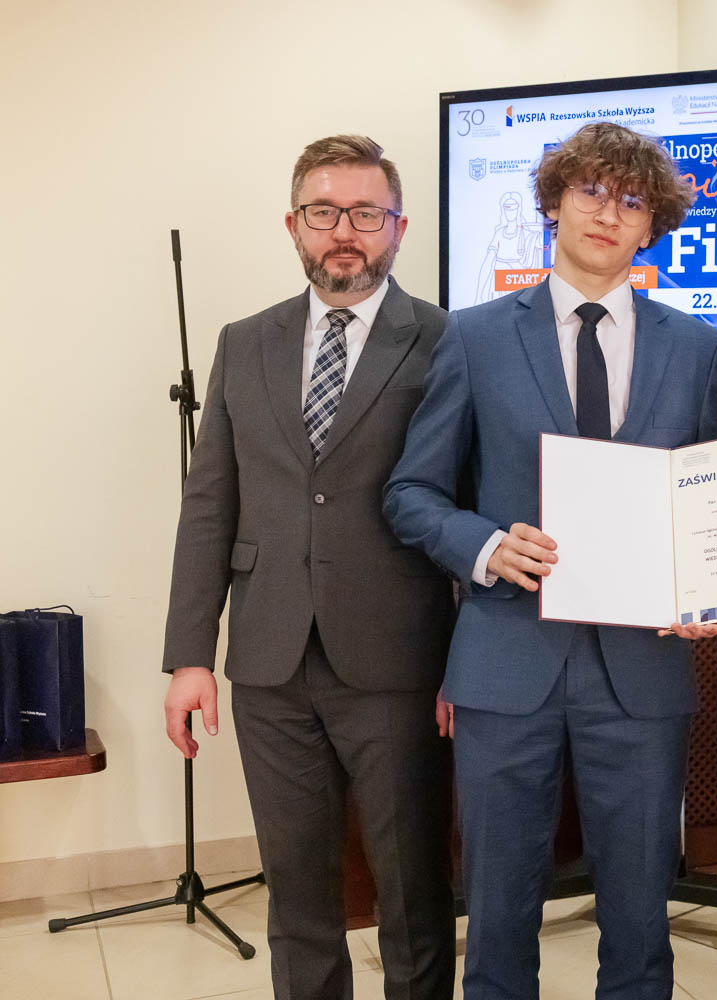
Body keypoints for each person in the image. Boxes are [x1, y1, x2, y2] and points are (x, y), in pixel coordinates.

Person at [384, 121, 717, 1000]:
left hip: (643, 670)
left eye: (632, 201)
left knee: (642, 927)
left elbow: (706, 500)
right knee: (497, 923)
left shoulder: (696, 347)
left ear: (651, 225)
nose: (608, 214)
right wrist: (486, 546)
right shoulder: (474, 336)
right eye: (591, 192)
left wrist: (713, 587)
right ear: (553, 204)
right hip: (506, 664)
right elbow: (411, 492)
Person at [161, 135, 455, 999]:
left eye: (366, 213)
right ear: (293, 225)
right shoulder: (244, 341)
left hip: (400, 660)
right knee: (297, 897)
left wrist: (469, 662)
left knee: (413, 895)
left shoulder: (445, 340)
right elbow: (209, 504)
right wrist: (189, 656)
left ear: (399, 228)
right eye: (324, 212)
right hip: (269, 661)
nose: (344, 232)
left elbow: (470, 500)